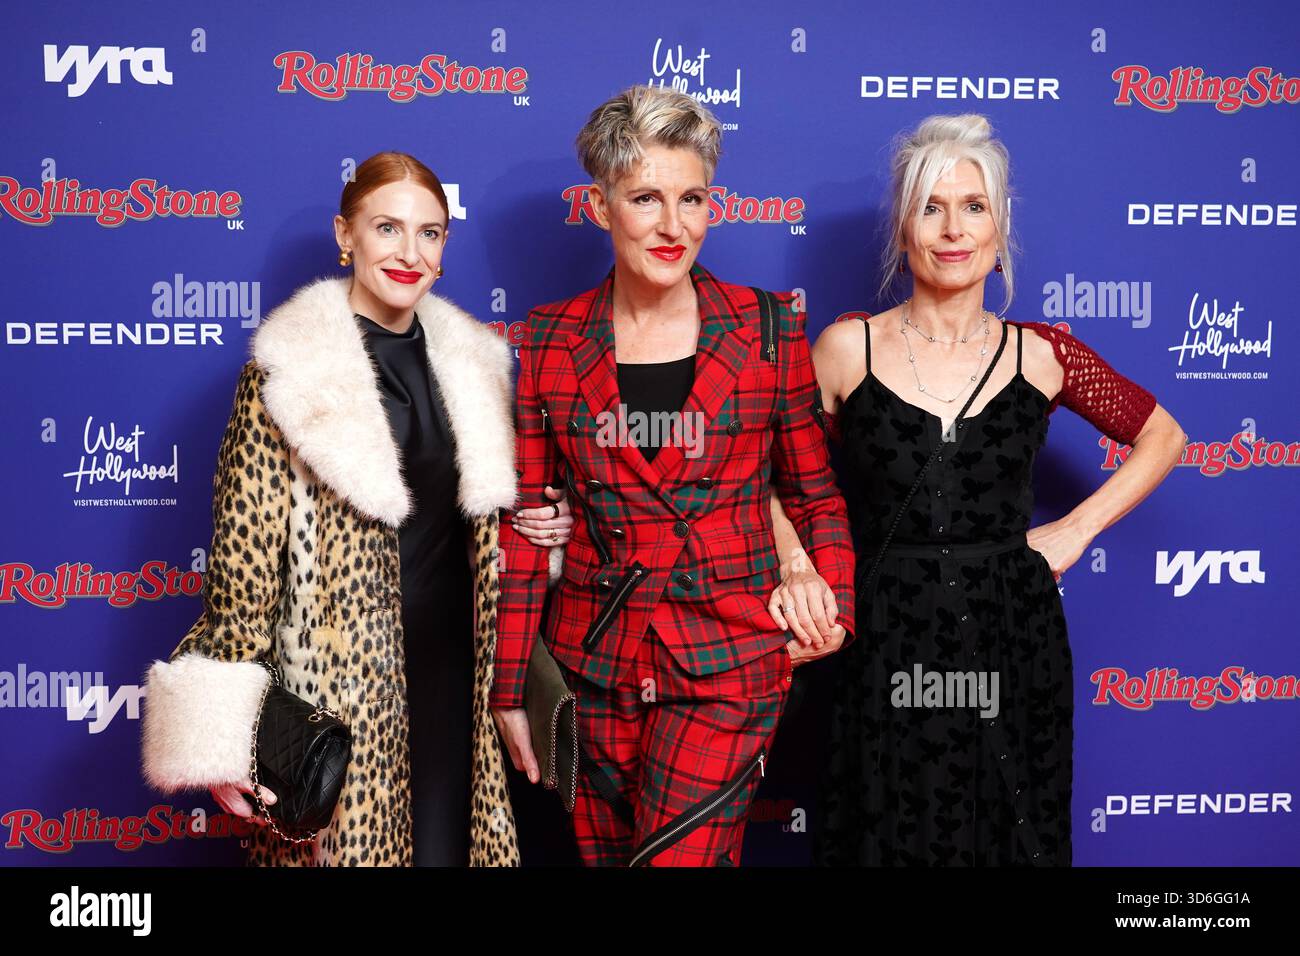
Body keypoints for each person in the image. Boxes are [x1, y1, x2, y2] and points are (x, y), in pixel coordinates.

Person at [791, 114, 1185, 865]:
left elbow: (1164, 436)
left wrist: (1077, 528)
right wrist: (798, 565)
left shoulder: (1043, 355)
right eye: (931, 207)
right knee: (880, 836)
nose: (953, 228)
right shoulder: (845, 348)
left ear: (999, 231)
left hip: (1013, 636)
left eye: (974, 207)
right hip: (882, 637)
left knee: (1010, 838)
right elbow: (781, 476)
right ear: (904, 231)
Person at [490, 85, 857, 867]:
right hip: (594, 665)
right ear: (600, 206)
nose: (672, 225)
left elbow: (813, 492)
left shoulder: (764, 328)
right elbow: (525, 528)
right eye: (646, 198)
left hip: (728, 660)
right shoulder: (552, 339)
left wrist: (834, 602)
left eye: (692, 199)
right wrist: (510, 685)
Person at [140, 151, 521, 867]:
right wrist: (224, 731)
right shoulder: (283, 379)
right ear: (345, 235)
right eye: (388, 227)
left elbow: (486, 534)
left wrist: (544, 527)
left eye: (431, 233)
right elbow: (242, 570)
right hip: (338, 702)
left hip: (455, 688)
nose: (411, 252)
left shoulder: (477, 369)